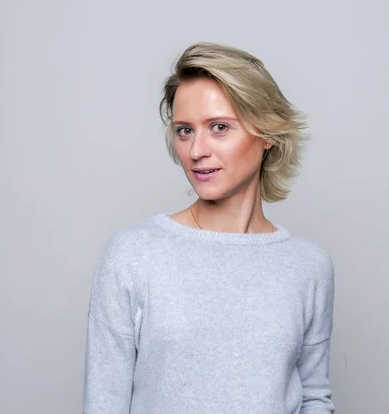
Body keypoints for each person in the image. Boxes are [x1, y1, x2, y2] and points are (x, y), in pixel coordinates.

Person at [82, 42, 335, 414]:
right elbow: (104, 402)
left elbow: (314, 395)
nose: (197, 150)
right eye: (185, 130)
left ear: (267, 134)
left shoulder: (308, 266)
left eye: (219, 127)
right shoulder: (133, 254)